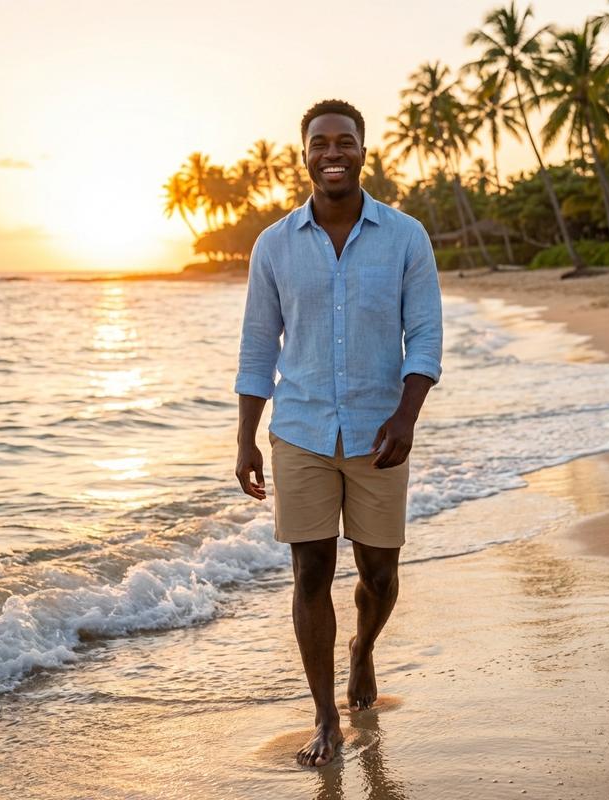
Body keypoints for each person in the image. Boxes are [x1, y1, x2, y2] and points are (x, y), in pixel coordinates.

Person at [234, 99, 443, 768]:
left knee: (379, 572)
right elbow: (258, 345)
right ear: (304, 155)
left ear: (362, 151)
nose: (332, 152)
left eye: (343, 141)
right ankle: (325, 717)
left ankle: (364, 648)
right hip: (299, 431)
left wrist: (407, 415)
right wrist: (246, 438)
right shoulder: (273, 245)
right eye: (320, 142)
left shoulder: (406, 236)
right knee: (309, 571)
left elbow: (426, 336)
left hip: (382, 431)